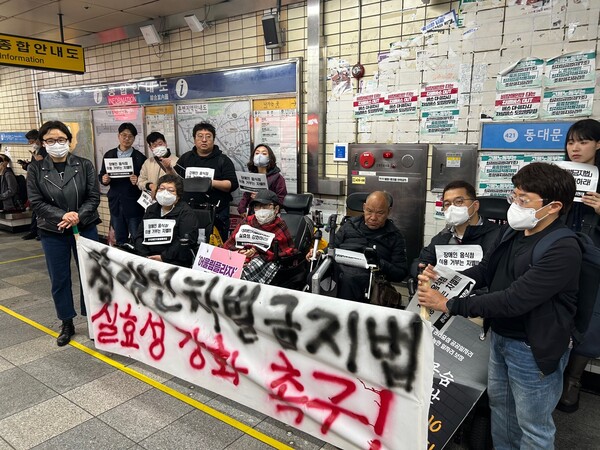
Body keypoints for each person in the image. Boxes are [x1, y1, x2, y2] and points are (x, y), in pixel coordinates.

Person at [417, 162, 581, 449]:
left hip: (533, 348)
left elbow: (514, 300)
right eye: (514, 196)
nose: (515, 205)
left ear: (553, 207)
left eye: (523, 199)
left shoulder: (562, 248)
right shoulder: (513, 232)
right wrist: (444, 278)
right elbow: (485, 270)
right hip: (501, 338)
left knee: (533, 427)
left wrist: (450, 304)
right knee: (502, 413)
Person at [27, 120, 101, 346]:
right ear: (43, 143)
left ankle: (93, 319)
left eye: (61, 139)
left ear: (69, 141)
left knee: (90, 276)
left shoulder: (84, 165)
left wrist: (77, 216)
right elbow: (36, 202)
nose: (56, 144)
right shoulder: (36, 169)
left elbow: (93, 196)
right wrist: (63, 215)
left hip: (84, 227)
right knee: (59, 278)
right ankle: (66, 321)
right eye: (50, 140)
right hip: (52, 230)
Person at [557, 118, 600, 413]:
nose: (575, 148)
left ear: (598, 144)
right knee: (557, 310)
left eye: (583, 141)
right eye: (571, 142)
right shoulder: (559, 176)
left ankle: (573, 380)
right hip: (560, 252)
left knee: (588, 318)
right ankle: (552, 374)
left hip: (593, 261)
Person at [308, 191, 408, 302]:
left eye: (380, 213)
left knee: (348, 280)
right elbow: (332, 248)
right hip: (338, 268)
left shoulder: (394, 236)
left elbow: (400, 273)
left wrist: (380, 263)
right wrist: (320, 252)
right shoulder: (349, 225)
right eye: (369, 211)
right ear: (364, 208)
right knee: (314, 275)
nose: (373, 217)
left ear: (388, 211)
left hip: (367, 278)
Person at [410, 180, 501, 277]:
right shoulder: (444, 236)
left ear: (475, 206)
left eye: (458, 202)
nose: (452, 208)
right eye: (447, 204)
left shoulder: (497, 236)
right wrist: (422, 271)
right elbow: (420, 262)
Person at [173, 122, 239, 239]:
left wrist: (210, 182)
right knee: (189, 242)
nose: (204, 140)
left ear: (213, 139)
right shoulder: (186, 158)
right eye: (200, 136)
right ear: (194, 139)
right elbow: (176, 181)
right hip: (189, 211)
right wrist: (169, 169)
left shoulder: (223, 160)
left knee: (217, 244)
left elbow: (232, 184)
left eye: (208, 136)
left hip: (217, 213)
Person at [223, 189, 296, 284]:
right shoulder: (247, 221)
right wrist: (240, 253)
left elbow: (285, 252)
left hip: (264, 261)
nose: (261, 210)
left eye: (265, 206)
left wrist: (256, 251)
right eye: (257, 206)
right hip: (241, 256)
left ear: (276, 209)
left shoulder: (280, 226)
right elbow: (230, 244)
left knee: (248, 269)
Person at [134, 174, 199, 267]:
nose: (165, 193)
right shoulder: (151, 209)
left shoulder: (186, 213)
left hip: (174, 262)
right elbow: (139, 235)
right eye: (161, 188)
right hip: (148, 259)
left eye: (170, 190)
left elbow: (185, 241)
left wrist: (164, 257)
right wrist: (145, 255)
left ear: (178, 196)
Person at [98, 122, 146, 246]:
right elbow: (102, 174)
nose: (127, 138)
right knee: (119, 238)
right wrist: (104, 179)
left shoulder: (140, 158)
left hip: (134, 204)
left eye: (130, 136)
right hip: (116, 203)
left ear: (134, 138)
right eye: (124, 135)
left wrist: (138, 180)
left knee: (137, 237)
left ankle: (137, 257)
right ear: (118, 136)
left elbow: (145, 179)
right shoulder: (109, 155)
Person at [237, 144, 287, 217]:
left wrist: (262, 197)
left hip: (269, 215)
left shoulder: (278, 178)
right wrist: (242, 209)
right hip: (252, 214)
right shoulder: (251, 176)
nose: (259, 156)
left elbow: (281, 200)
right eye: (257, 153)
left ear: (270, 158)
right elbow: (246, 195)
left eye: (264, 153)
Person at [20, 129, 47, 240]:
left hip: (44, 183)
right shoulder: (36, 151)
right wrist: (27, 165)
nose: (30, 143)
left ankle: (40, 232)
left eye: (31, 141)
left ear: (37, 139)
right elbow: (34, 166)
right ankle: (34, 230)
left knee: (41, 208)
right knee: (35, 208)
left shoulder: (45, 151)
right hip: (35, 182)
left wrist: (42, 161)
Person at [137, 132, 179, 198]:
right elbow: (140, 181)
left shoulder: (177, 161)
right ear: (150, 148)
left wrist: (169, 169)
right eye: (154, 145)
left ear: (165, 143)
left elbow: (179, 183)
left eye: (160, 144)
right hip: (152, 199)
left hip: (171, 198)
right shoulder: (148, 163)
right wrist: (150, 186)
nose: (158, 147)